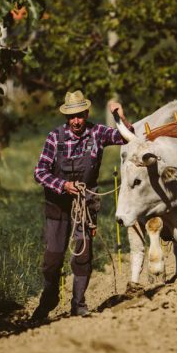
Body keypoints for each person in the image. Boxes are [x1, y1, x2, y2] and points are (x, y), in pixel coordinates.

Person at [31, 90, 133, 319]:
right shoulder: (54, 137)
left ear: (86, 113)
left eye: (80, 115)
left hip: (85, 205)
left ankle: (78, 304)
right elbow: (39, 172)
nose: (76, 121)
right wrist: (63, 185)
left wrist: (120, 117)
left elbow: (127, 136)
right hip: (57, 204)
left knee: (82, 256)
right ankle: (49, 299)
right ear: (66, 117)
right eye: (71, 116)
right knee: (52, 259)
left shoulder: (97, 133)